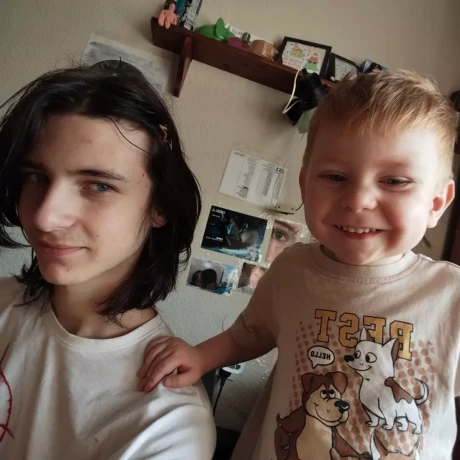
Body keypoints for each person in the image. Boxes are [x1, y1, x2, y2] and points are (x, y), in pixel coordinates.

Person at [138, 70, 460, 459]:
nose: (358, 200)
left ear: (436, 204)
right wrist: (201, 356)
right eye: (336, 177)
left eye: (395, 181)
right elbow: (247, 335)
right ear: (305, 186)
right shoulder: (292, 270)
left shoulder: (451, 295)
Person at [0, 61, 215, 459]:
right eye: (37, 177)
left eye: (98, 186)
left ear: (160, 206)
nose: (45, 217)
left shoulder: (168, 427)